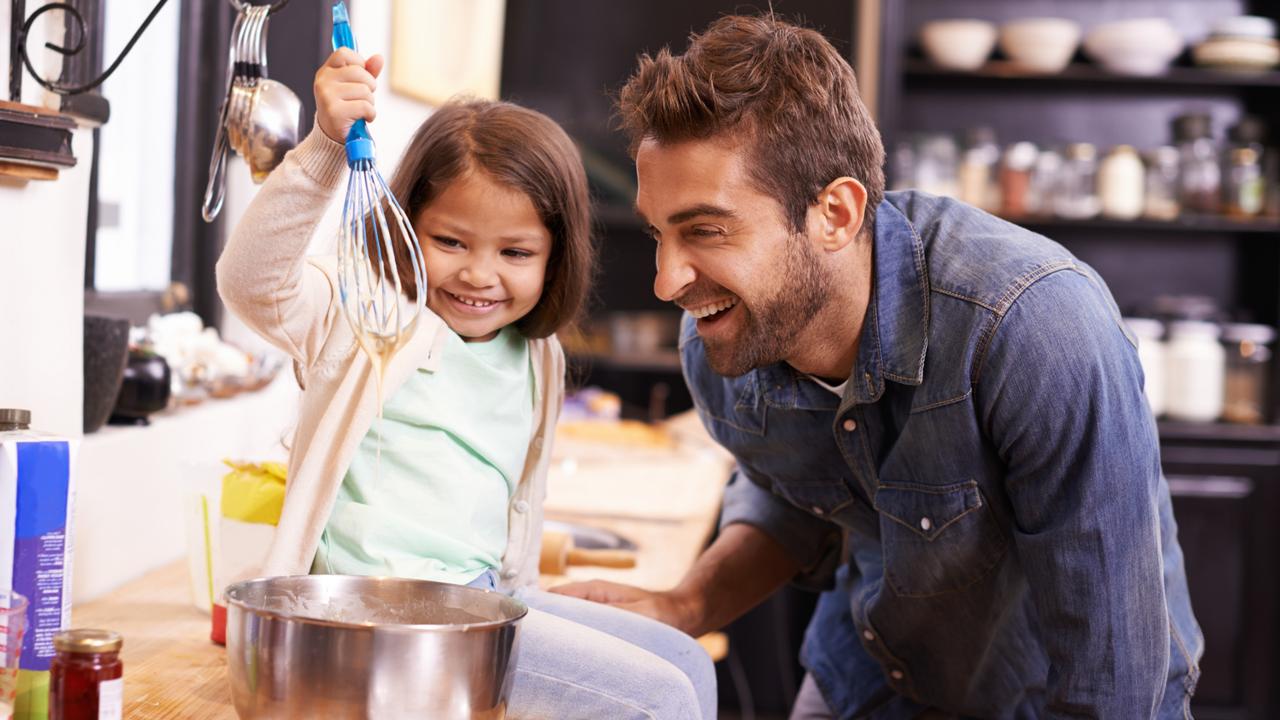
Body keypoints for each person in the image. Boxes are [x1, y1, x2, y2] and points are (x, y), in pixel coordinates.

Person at [552, 14, 1202, 718]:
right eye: (659, 233)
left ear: (835, 213)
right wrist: (686, 604)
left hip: (1049, 692)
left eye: (706, 231)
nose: (667, 280)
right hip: (870, 669)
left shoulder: (1032, 327)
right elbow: (791, 493)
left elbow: (1111, 671)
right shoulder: (720, 342)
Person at [217, 48, 715, 720]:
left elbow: (515, 511)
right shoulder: (366, 319)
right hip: (372, 616)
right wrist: (324, 148)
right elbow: (251, 282)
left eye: (515, 253)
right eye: (451, 241)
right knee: (658, 701)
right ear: (407, 223)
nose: (481, 275)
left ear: (555, 255)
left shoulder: (537, 355)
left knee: (686, 663)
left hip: (478, 604)